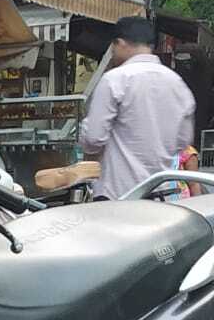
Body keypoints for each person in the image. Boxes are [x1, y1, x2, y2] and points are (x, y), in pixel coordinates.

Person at [79, 16, 195, 200]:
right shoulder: (177, 83)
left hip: (119, 195)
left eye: (113, 47)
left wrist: (86, 127)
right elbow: (183, 141)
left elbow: (93, 139)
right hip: (161, 195)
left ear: (121, 43)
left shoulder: (114, 80)